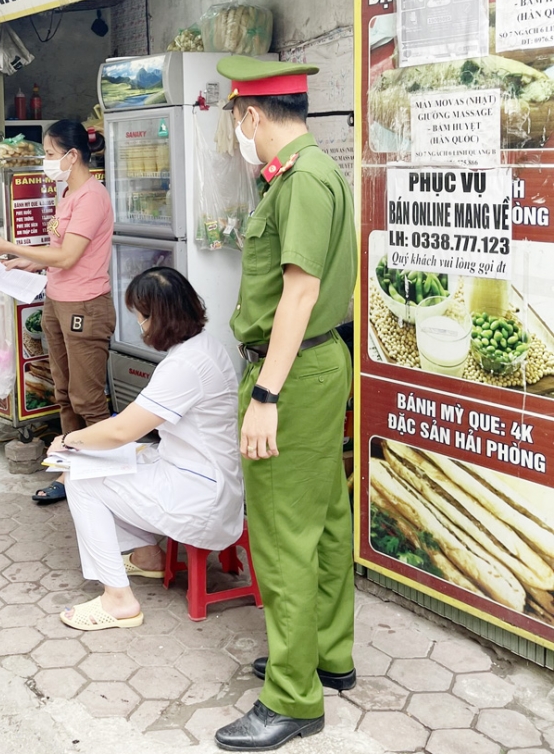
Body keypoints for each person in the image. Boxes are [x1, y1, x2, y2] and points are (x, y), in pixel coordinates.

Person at [212, 57, 357, 752]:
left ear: (251, 116)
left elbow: (298, 293)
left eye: (234, 121)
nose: (236, 134)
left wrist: (265, 393)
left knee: (281, 534)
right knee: (325, 515)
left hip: (291, 373)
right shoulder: (316, 171)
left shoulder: (300, 181)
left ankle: (293, 698)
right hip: (318, 364)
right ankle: (325, 654)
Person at [46, 267, 243, 631]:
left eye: (141, 318)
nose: (140, 327)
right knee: (122, 460)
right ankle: (148, 554)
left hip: (201, 497)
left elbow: (122, 429)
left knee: (82, 481)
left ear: (158, 318)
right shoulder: (206, 346)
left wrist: (70, 441)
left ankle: (118, 599)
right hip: (205, 475)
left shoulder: (183, 366)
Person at [0, 120, 115, 505]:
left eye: (51, 155)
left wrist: (14, 248)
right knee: (65, 395)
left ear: (72, 156)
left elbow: (70, 255)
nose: (46, 162)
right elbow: (61, 252)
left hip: (84, 306)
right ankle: (72, 474)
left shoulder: (91, 196)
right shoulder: (67, 192)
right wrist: (31, 264)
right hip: (57, 300)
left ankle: (109, 476)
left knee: (88, 399)